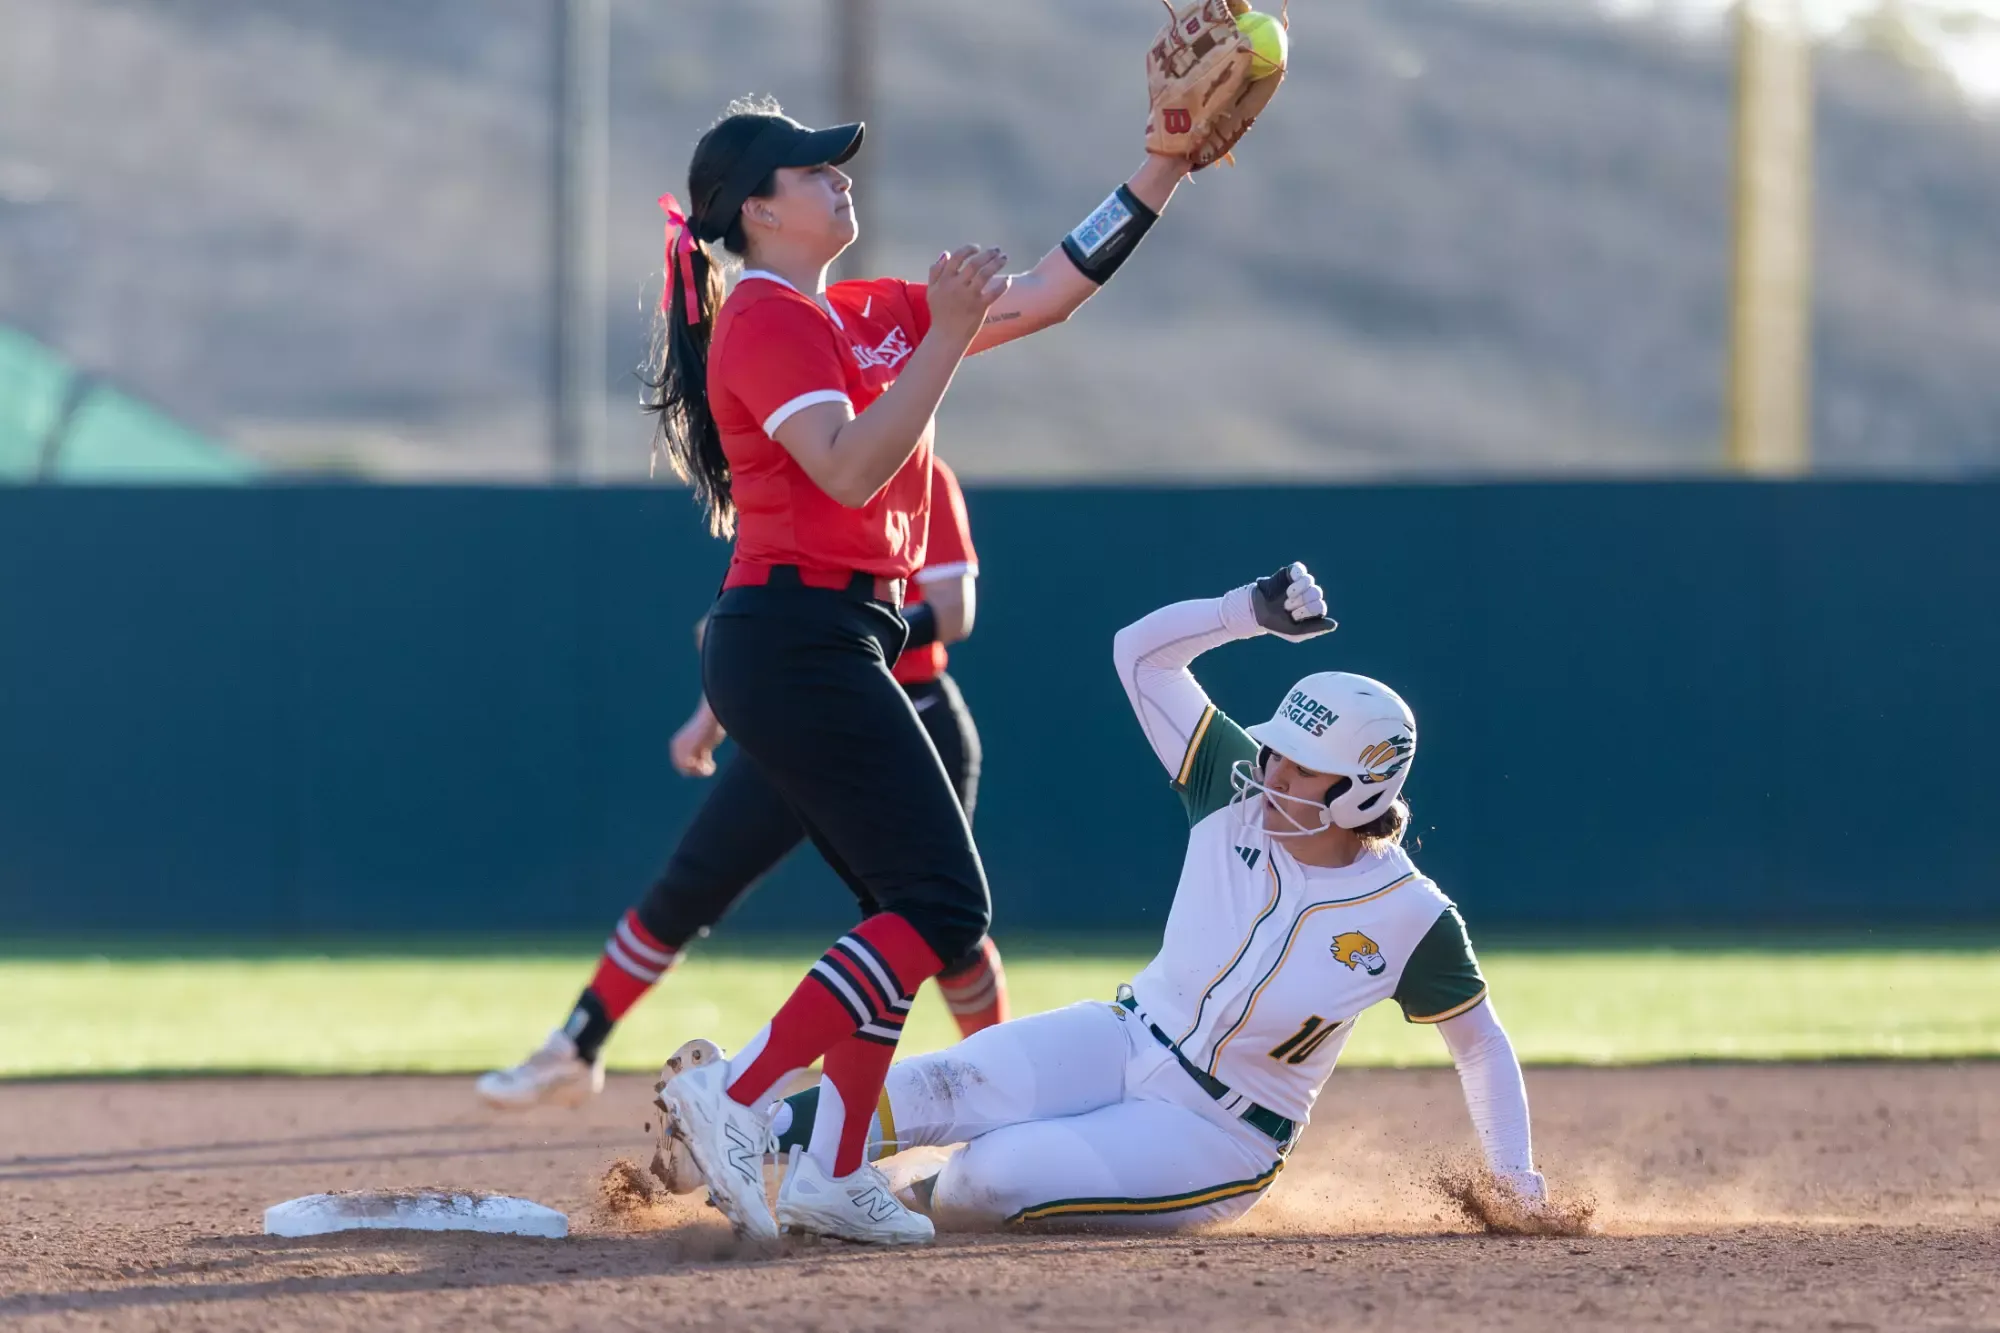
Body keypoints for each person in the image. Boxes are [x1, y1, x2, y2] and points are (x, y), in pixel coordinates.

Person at [643, 89, 1216, 1246]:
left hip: (835, 636)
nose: (838, 177)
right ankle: (743, 1094)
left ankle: (834, 1168)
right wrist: (948, 334)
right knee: (948, 905)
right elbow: (850, 470)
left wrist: (1161, 166)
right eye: (811, 170)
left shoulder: (852, 314)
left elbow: (1051, 288)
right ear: (755, 210)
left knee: (897, 910)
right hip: (792, 636)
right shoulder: (761, 320)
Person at [658, 562, 1548, 1233]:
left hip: (1218, 1132)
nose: (1270, 767)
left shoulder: (1409, 913)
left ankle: (886, 1194)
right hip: (1122, 1032)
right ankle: (739, 1123)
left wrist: (1517, 1181)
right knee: (938, 1084)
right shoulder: (1231, 789)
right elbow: (1140, 653)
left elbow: (1481, 1044)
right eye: (1273, 748)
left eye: (1299, 764)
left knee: (988, 1176)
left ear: (1361, 790)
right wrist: (1245, 613)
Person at [475, 457, 1004, 1109]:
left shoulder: (920, 473)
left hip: (909, 712)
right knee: (692, 883)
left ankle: (999, 1083)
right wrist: (709, 717)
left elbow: (953, 611)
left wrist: (860, 627)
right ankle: (577, 1043)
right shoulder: (805, 472)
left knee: (937, 922)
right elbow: (767, 620)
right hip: (802, 713)